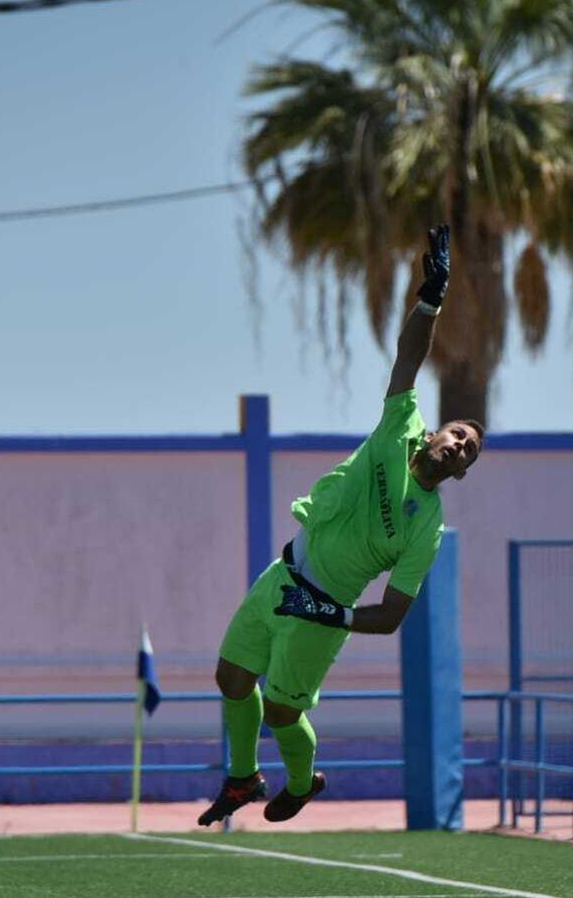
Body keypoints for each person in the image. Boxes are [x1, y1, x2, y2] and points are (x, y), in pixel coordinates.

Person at [198, 225, 484, 826]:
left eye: (468, 452)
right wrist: (431, 297)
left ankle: (302, 782)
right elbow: (409, 355)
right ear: (435, 432)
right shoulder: (400, 424)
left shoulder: (425, 527)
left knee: (280, 710)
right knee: (230, 675)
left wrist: (336, 617)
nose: (458, 446)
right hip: (285, 572)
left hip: (323, 607)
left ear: (458, 474)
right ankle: (243, 777)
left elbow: (392, 616)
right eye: (457, 434)